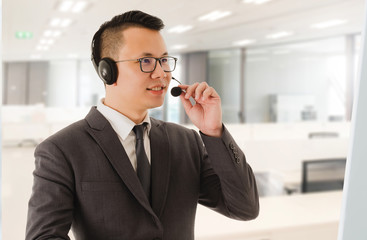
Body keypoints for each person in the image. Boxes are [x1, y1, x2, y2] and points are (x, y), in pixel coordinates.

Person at [26, 10, 259, 240]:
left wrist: (213, 131)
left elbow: (244, 208)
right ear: (107, 71)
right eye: (146, 61)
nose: (162, 74)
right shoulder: (62, 150)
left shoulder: (186, 142)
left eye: (164, 60)